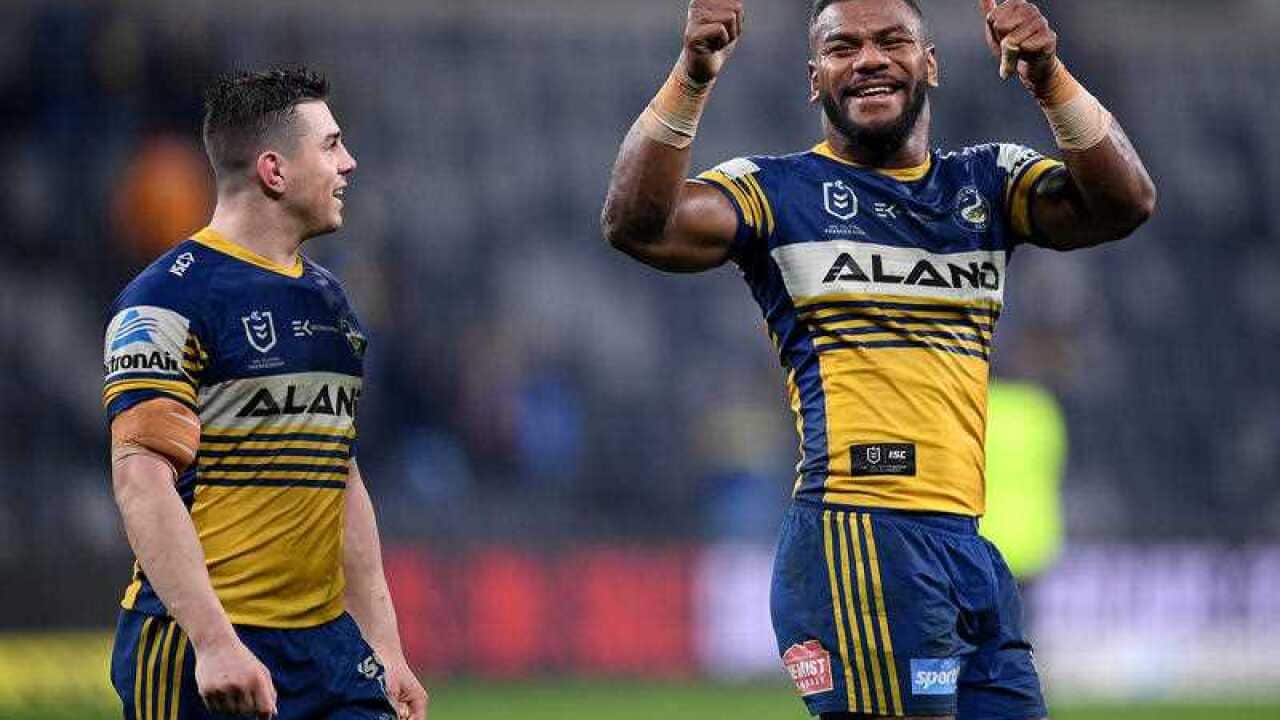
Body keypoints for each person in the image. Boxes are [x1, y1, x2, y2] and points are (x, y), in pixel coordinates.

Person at [601, 0, 1154, 717]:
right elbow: (636, 223)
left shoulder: (985, 184)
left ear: (931, 63)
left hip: (966, 547)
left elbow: (1125, 202)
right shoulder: (776, 191)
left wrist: (1047, 75)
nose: (868, 59)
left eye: (893, 40)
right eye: (843, 47)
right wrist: (694, 74)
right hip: (859, 536)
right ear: (814, 77)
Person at [103, 66, 427, 720]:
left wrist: (384, 644)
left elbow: (343, 479)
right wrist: (214, 642)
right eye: (332, 145)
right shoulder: (166, 300)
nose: (350, 162)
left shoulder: (331, 302)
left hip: (329, 651)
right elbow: (142, 479)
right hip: (203, 644)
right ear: (274, 171)